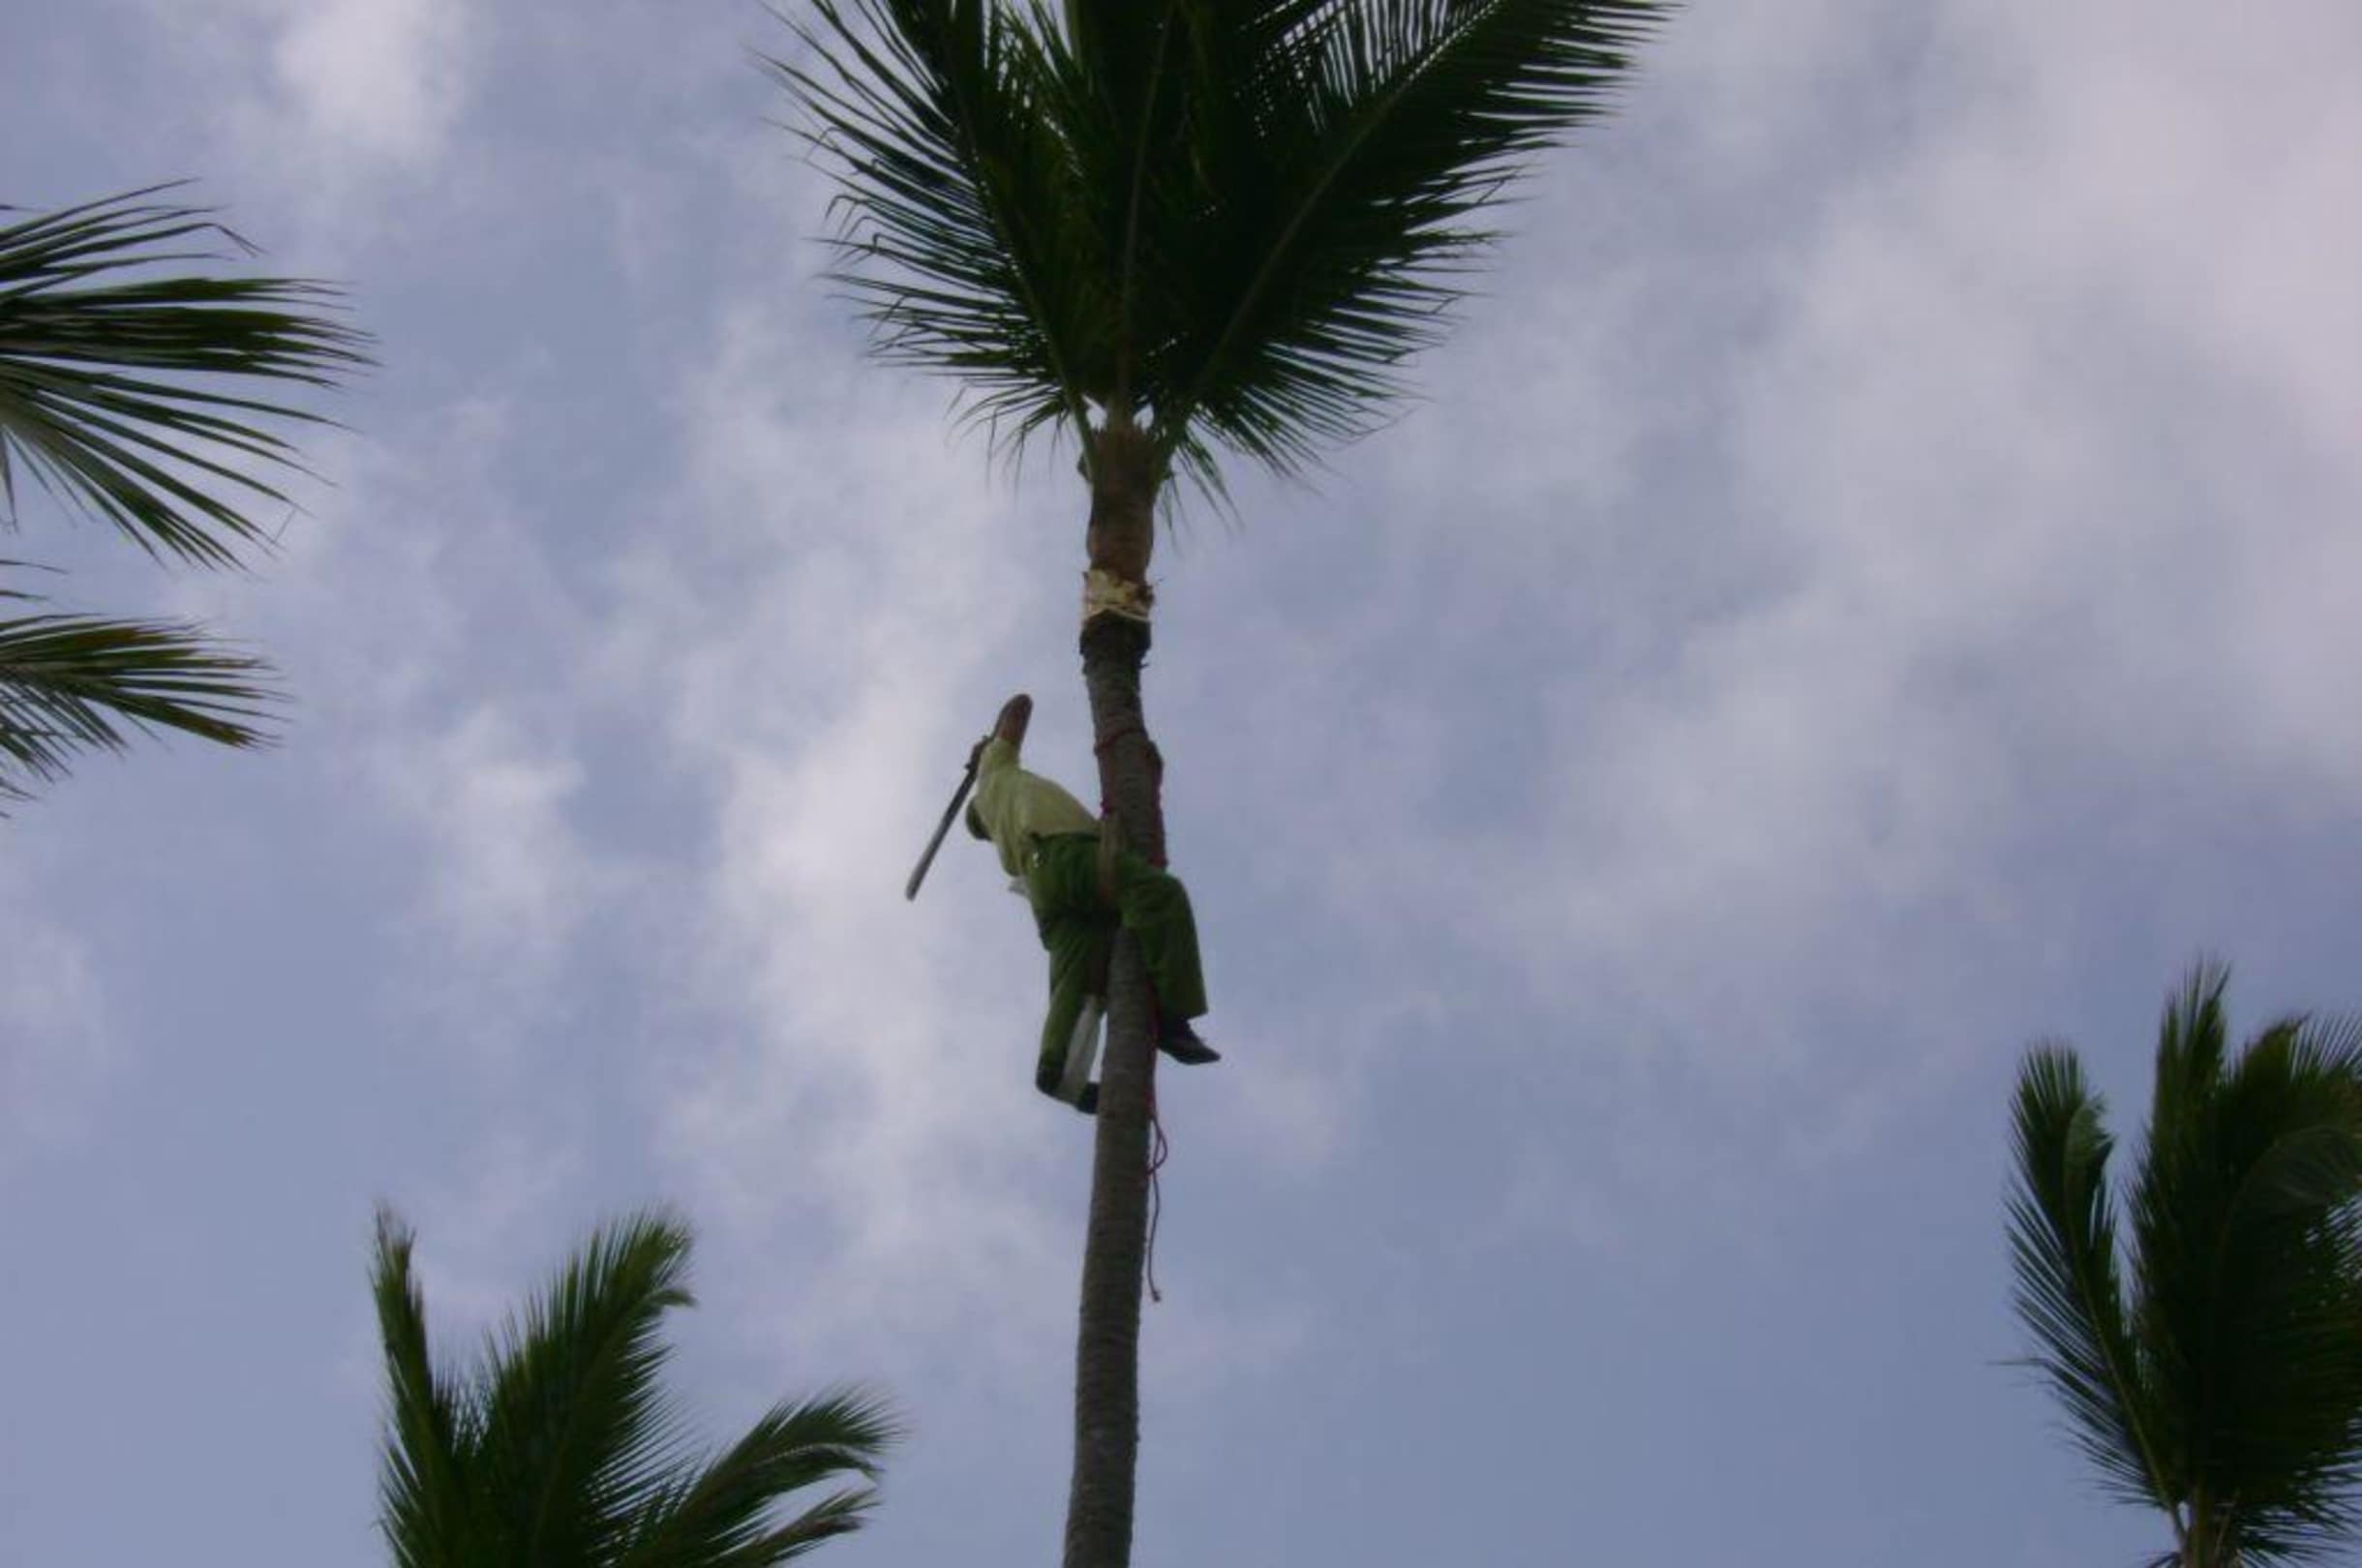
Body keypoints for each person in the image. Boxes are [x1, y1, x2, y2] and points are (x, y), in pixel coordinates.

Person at [966, 693, 1218, 1113]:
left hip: (1045, 891)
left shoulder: (1001, 830)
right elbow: (1020, 706)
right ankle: (1172, 1016)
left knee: (1079, 984)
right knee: (1158, 895)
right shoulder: (994, 775)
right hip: (1062, 855)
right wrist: (988, 748)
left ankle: (1058, 1071)